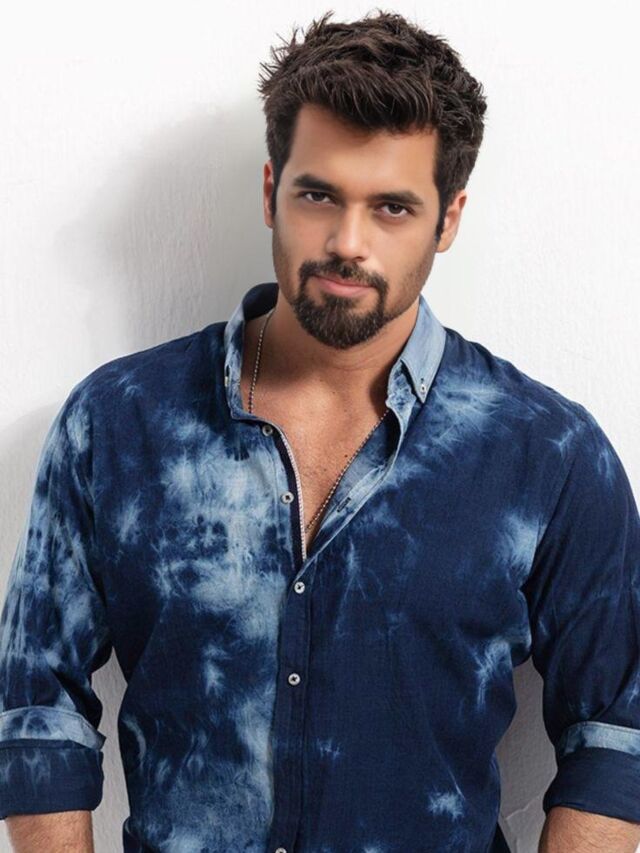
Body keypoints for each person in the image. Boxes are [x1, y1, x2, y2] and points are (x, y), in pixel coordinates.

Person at [1, 9, 639, 853]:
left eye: (393, 208)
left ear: (448, 219)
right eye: (318, 195)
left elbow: (618, 733)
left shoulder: (547, 454)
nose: (347, 243)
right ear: (272, 190)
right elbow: (36, 706)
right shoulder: (117, 424)